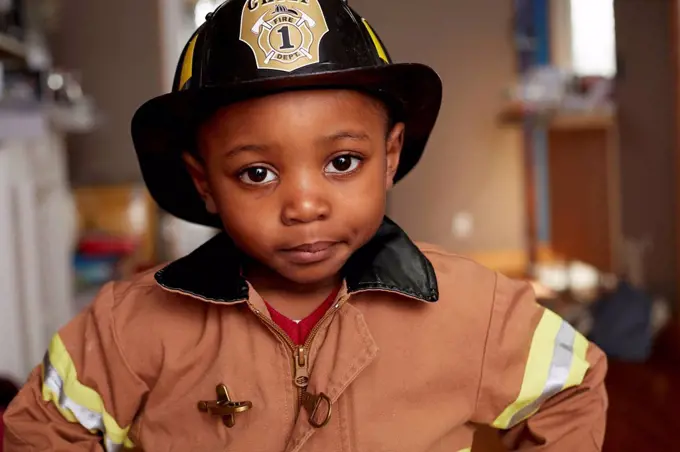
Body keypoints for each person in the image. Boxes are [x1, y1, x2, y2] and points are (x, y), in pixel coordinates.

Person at [3, 0, 608, 450]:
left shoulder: (473, 311)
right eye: (258, 173)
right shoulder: (130, 327)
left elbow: (572, 384)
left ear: (390, 155)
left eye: (342, 163)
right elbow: (42, 428)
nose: (304, 205)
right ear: (204, 181)